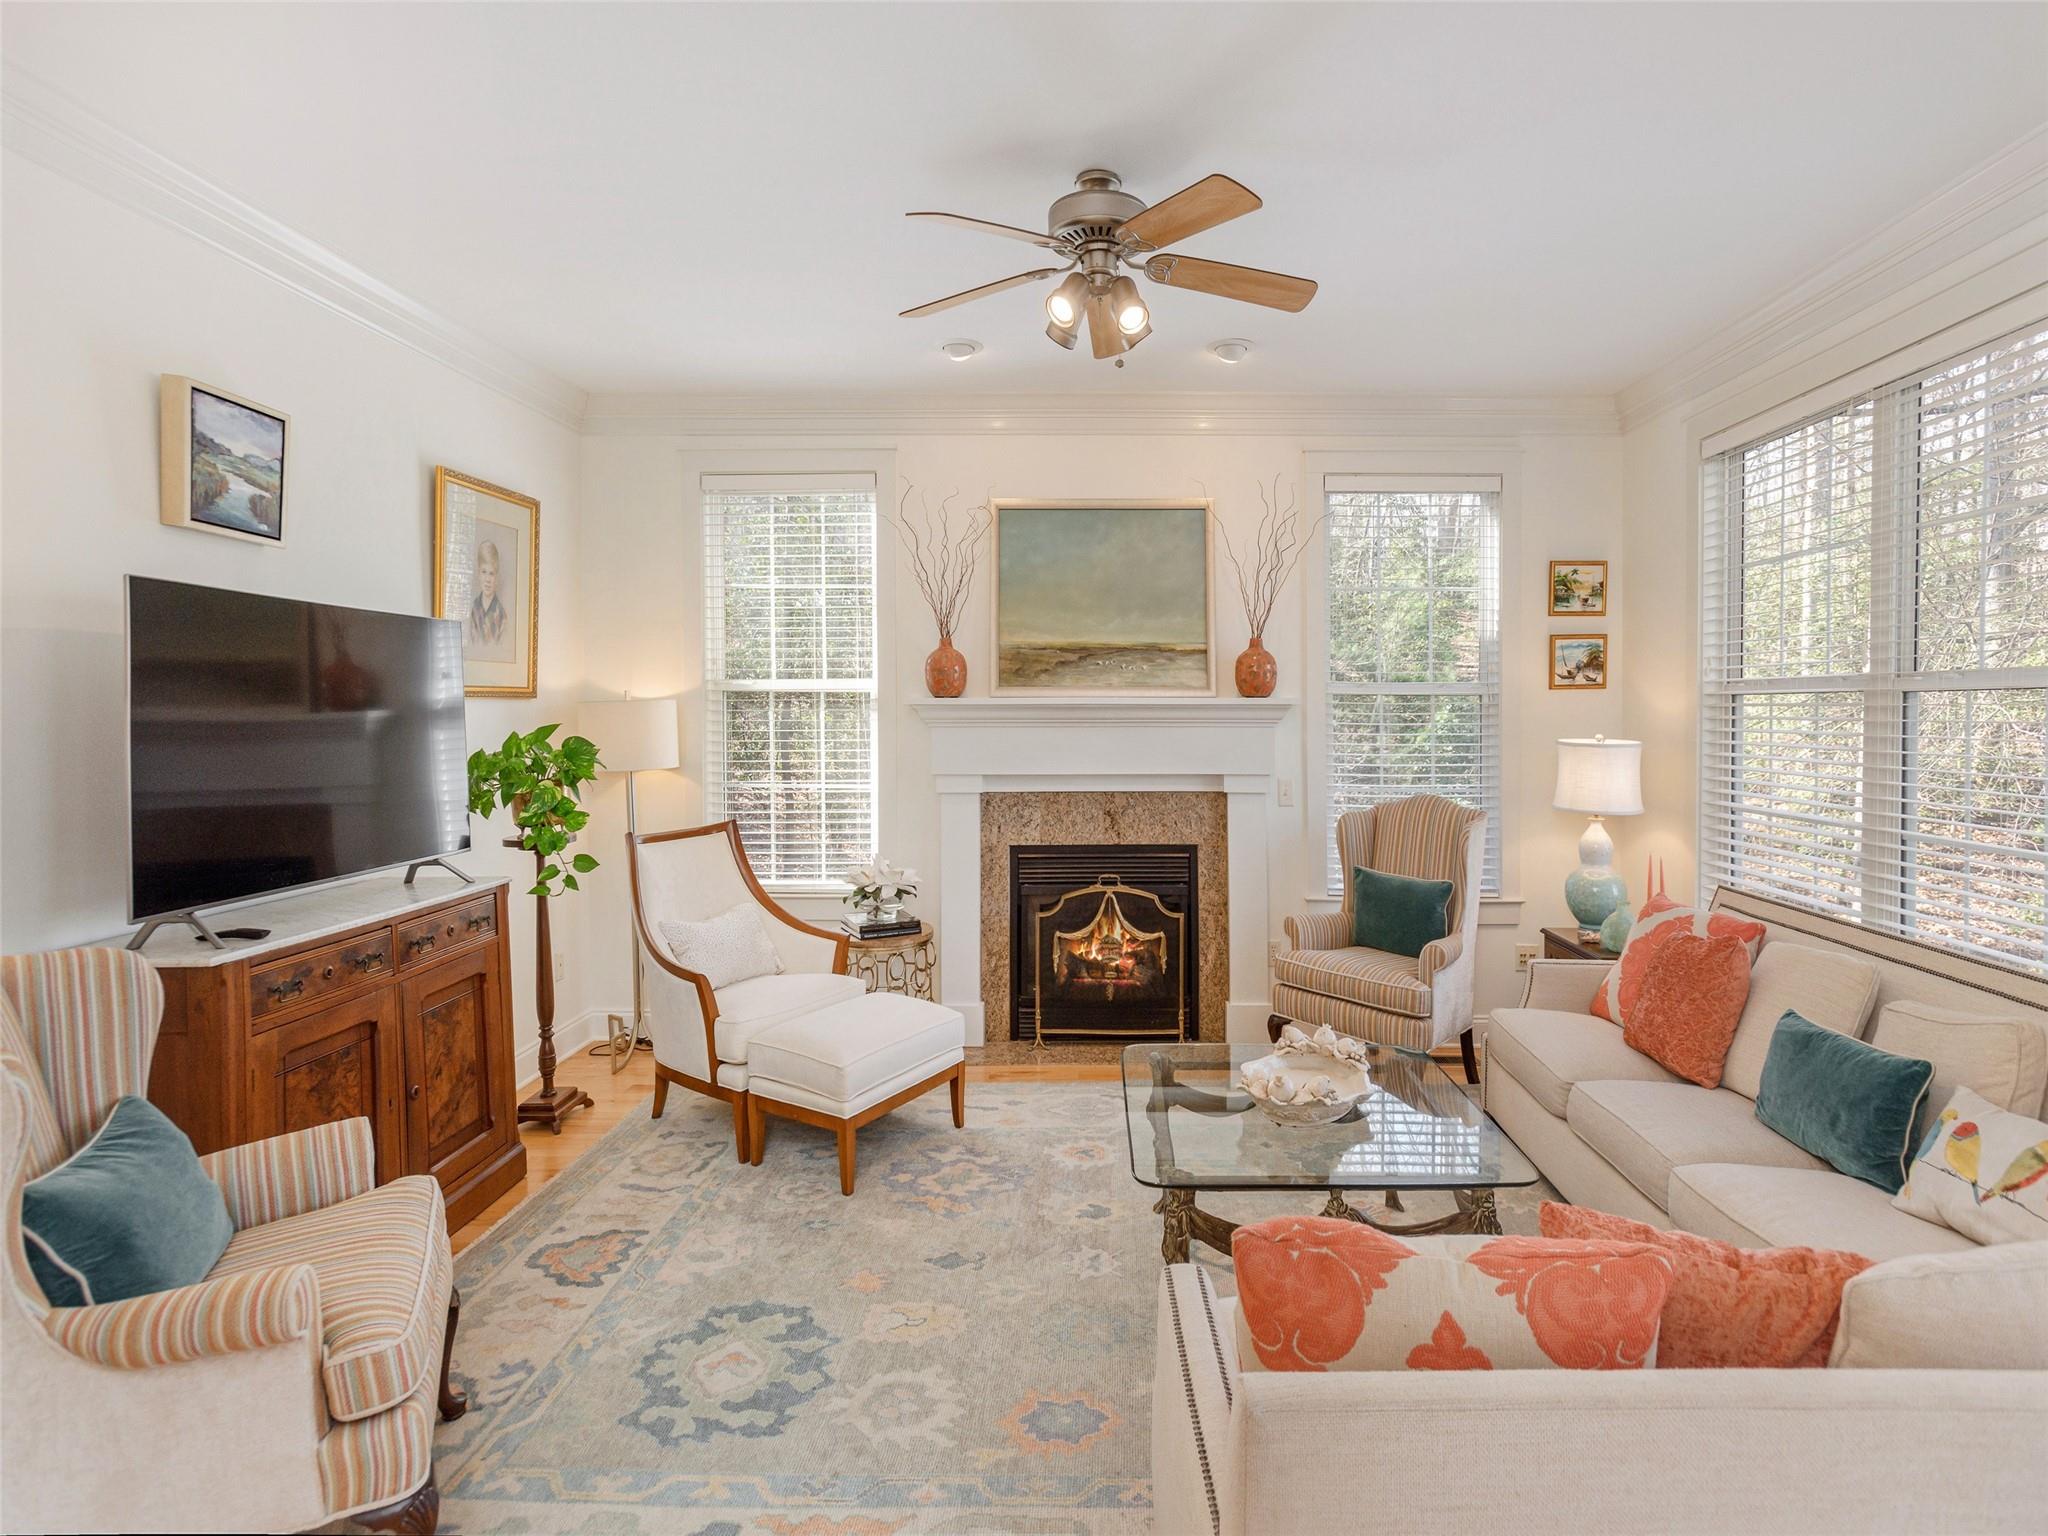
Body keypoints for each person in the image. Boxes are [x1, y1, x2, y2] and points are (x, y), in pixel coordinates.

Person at [468, 539, 507, 648]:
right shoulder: (474, 608)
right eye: (484, 572)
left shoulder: (501, 615)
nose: (487, 579)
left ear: (496, 578)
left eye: (491, 573)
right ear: (478, 574)